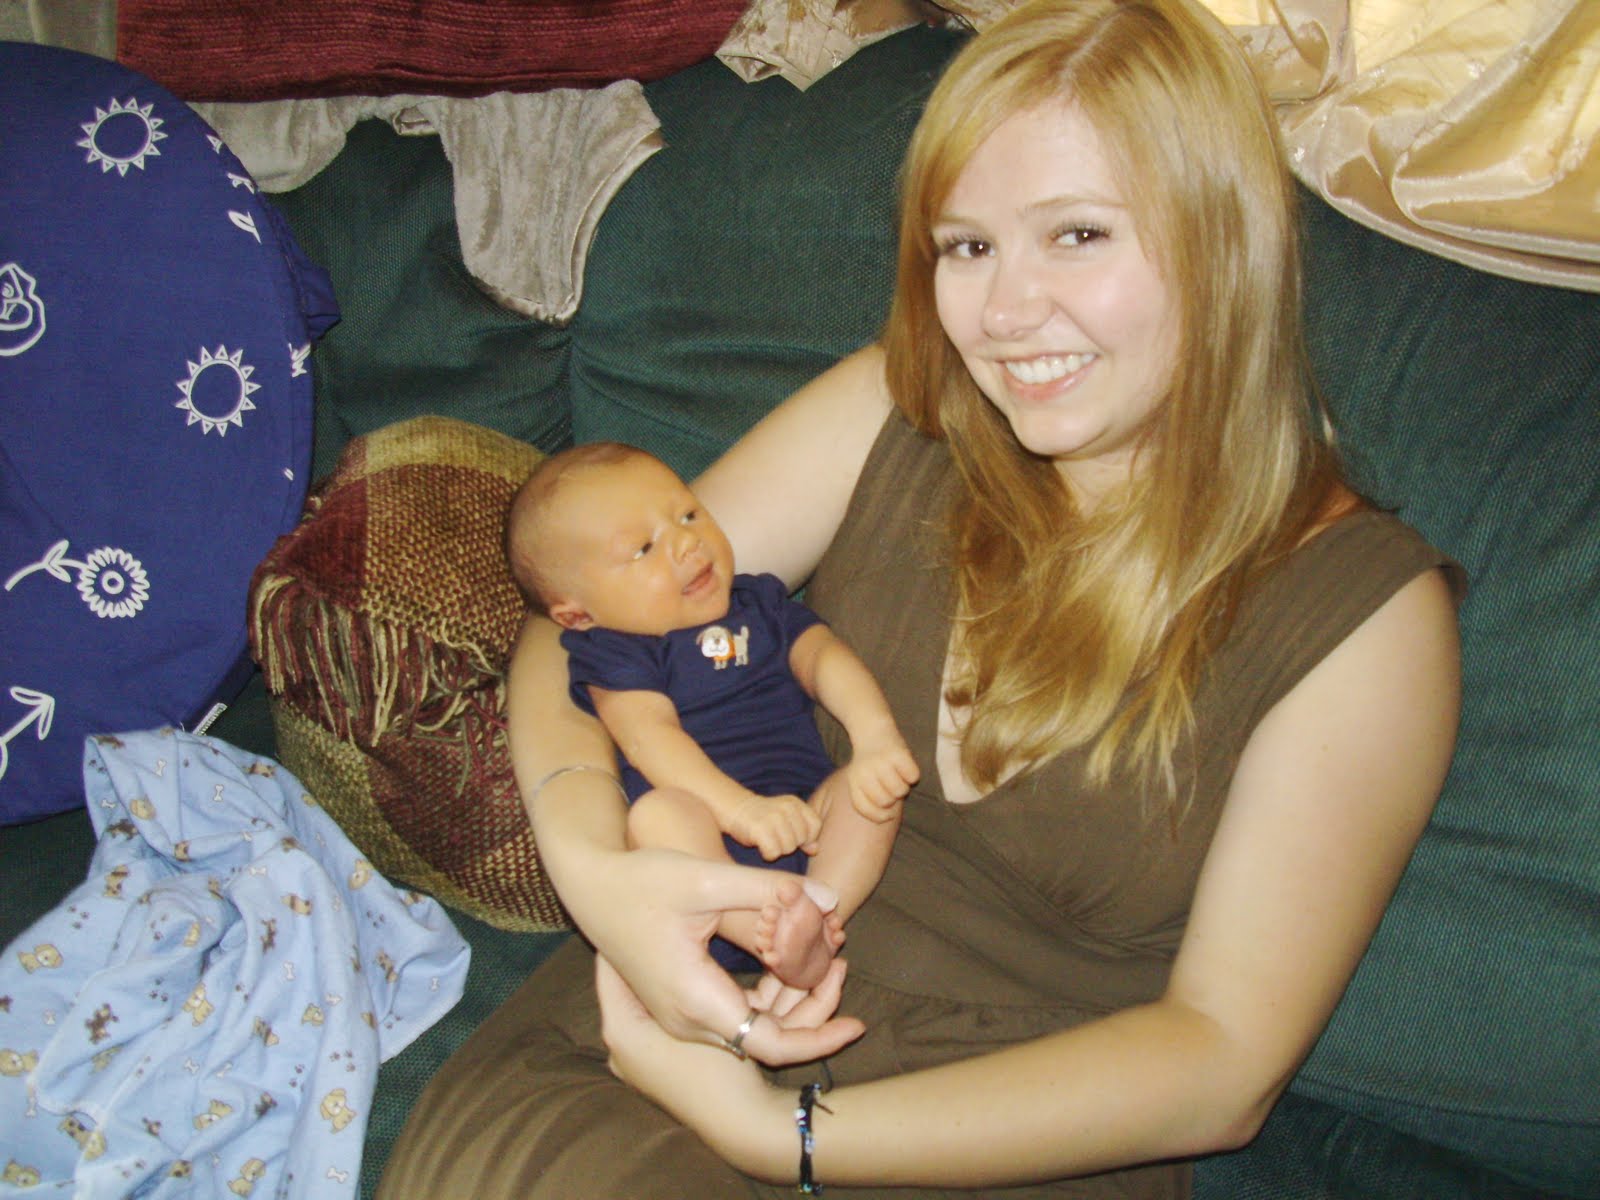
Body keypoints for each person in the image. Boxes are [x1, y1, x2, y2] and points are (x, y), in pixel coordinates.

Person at [377, 0, 1462, 1196]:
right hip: (679, 1017)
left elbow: (1219, 1063)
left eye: (1078, 235)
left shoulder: (1364, 621)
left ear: (1223, 242)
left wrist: (782, 1137)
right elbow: (575, 630)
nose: (1003, 314)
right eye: (967, 246)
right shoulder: (894, 408)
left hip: (1005, 1133)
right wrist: (601, 877)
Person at [503, 442, 918, 989]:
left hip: (809, 823)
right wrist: (740, 811)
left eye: (688, 514)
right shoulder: (616, 652)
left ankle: (820, 914)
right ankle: (761, 933)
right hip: (708, 870)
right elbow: (649, 736)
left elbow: (824, 659)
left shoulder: (760, 603)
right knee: (656, 817)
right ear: (578, 615)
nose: (685, 542)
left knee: (870, 795)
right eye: (642, 548)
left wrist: (874, 738)